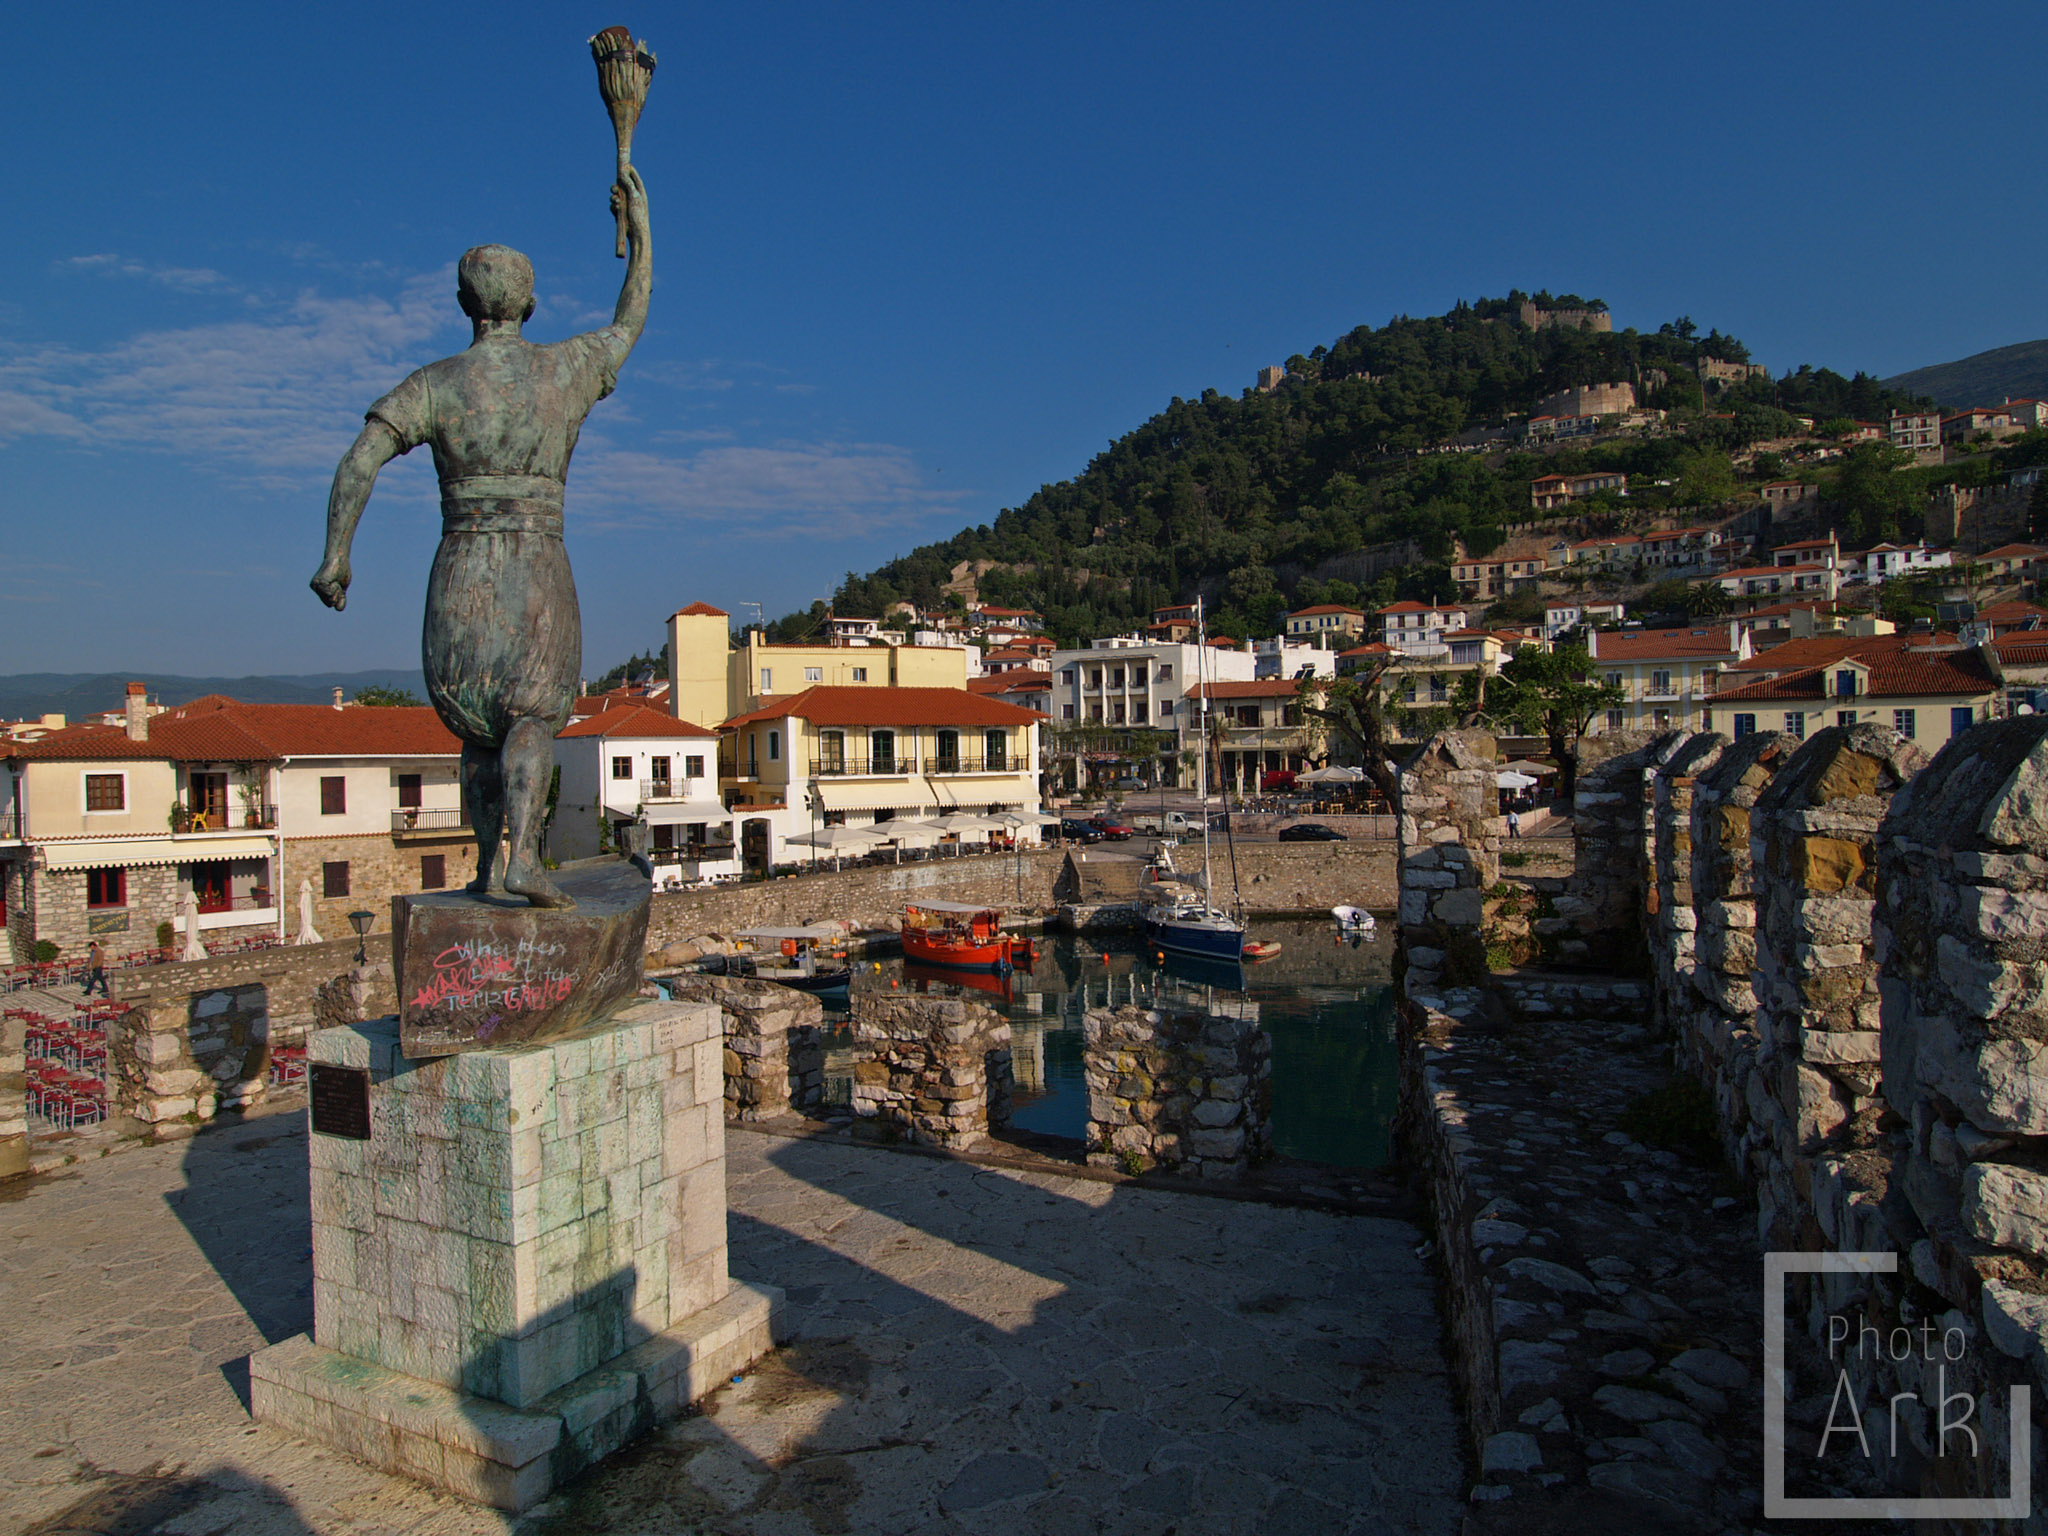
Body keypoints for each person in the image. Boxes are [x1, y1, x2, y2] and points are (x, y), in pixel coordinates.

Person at [312, 168, 653, 909]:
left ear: (465, 304)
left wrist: (337, 556)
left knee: (474, 729)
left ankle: (484, 867)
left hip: (459, 569)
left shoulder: (434, 383)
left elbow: (359, 461)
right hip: (535, 566)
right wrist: (641, 226)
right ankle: (524, 859)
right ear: (529, 304)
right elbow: (630, 319)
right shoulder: (565, 369)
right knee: (531, 713)